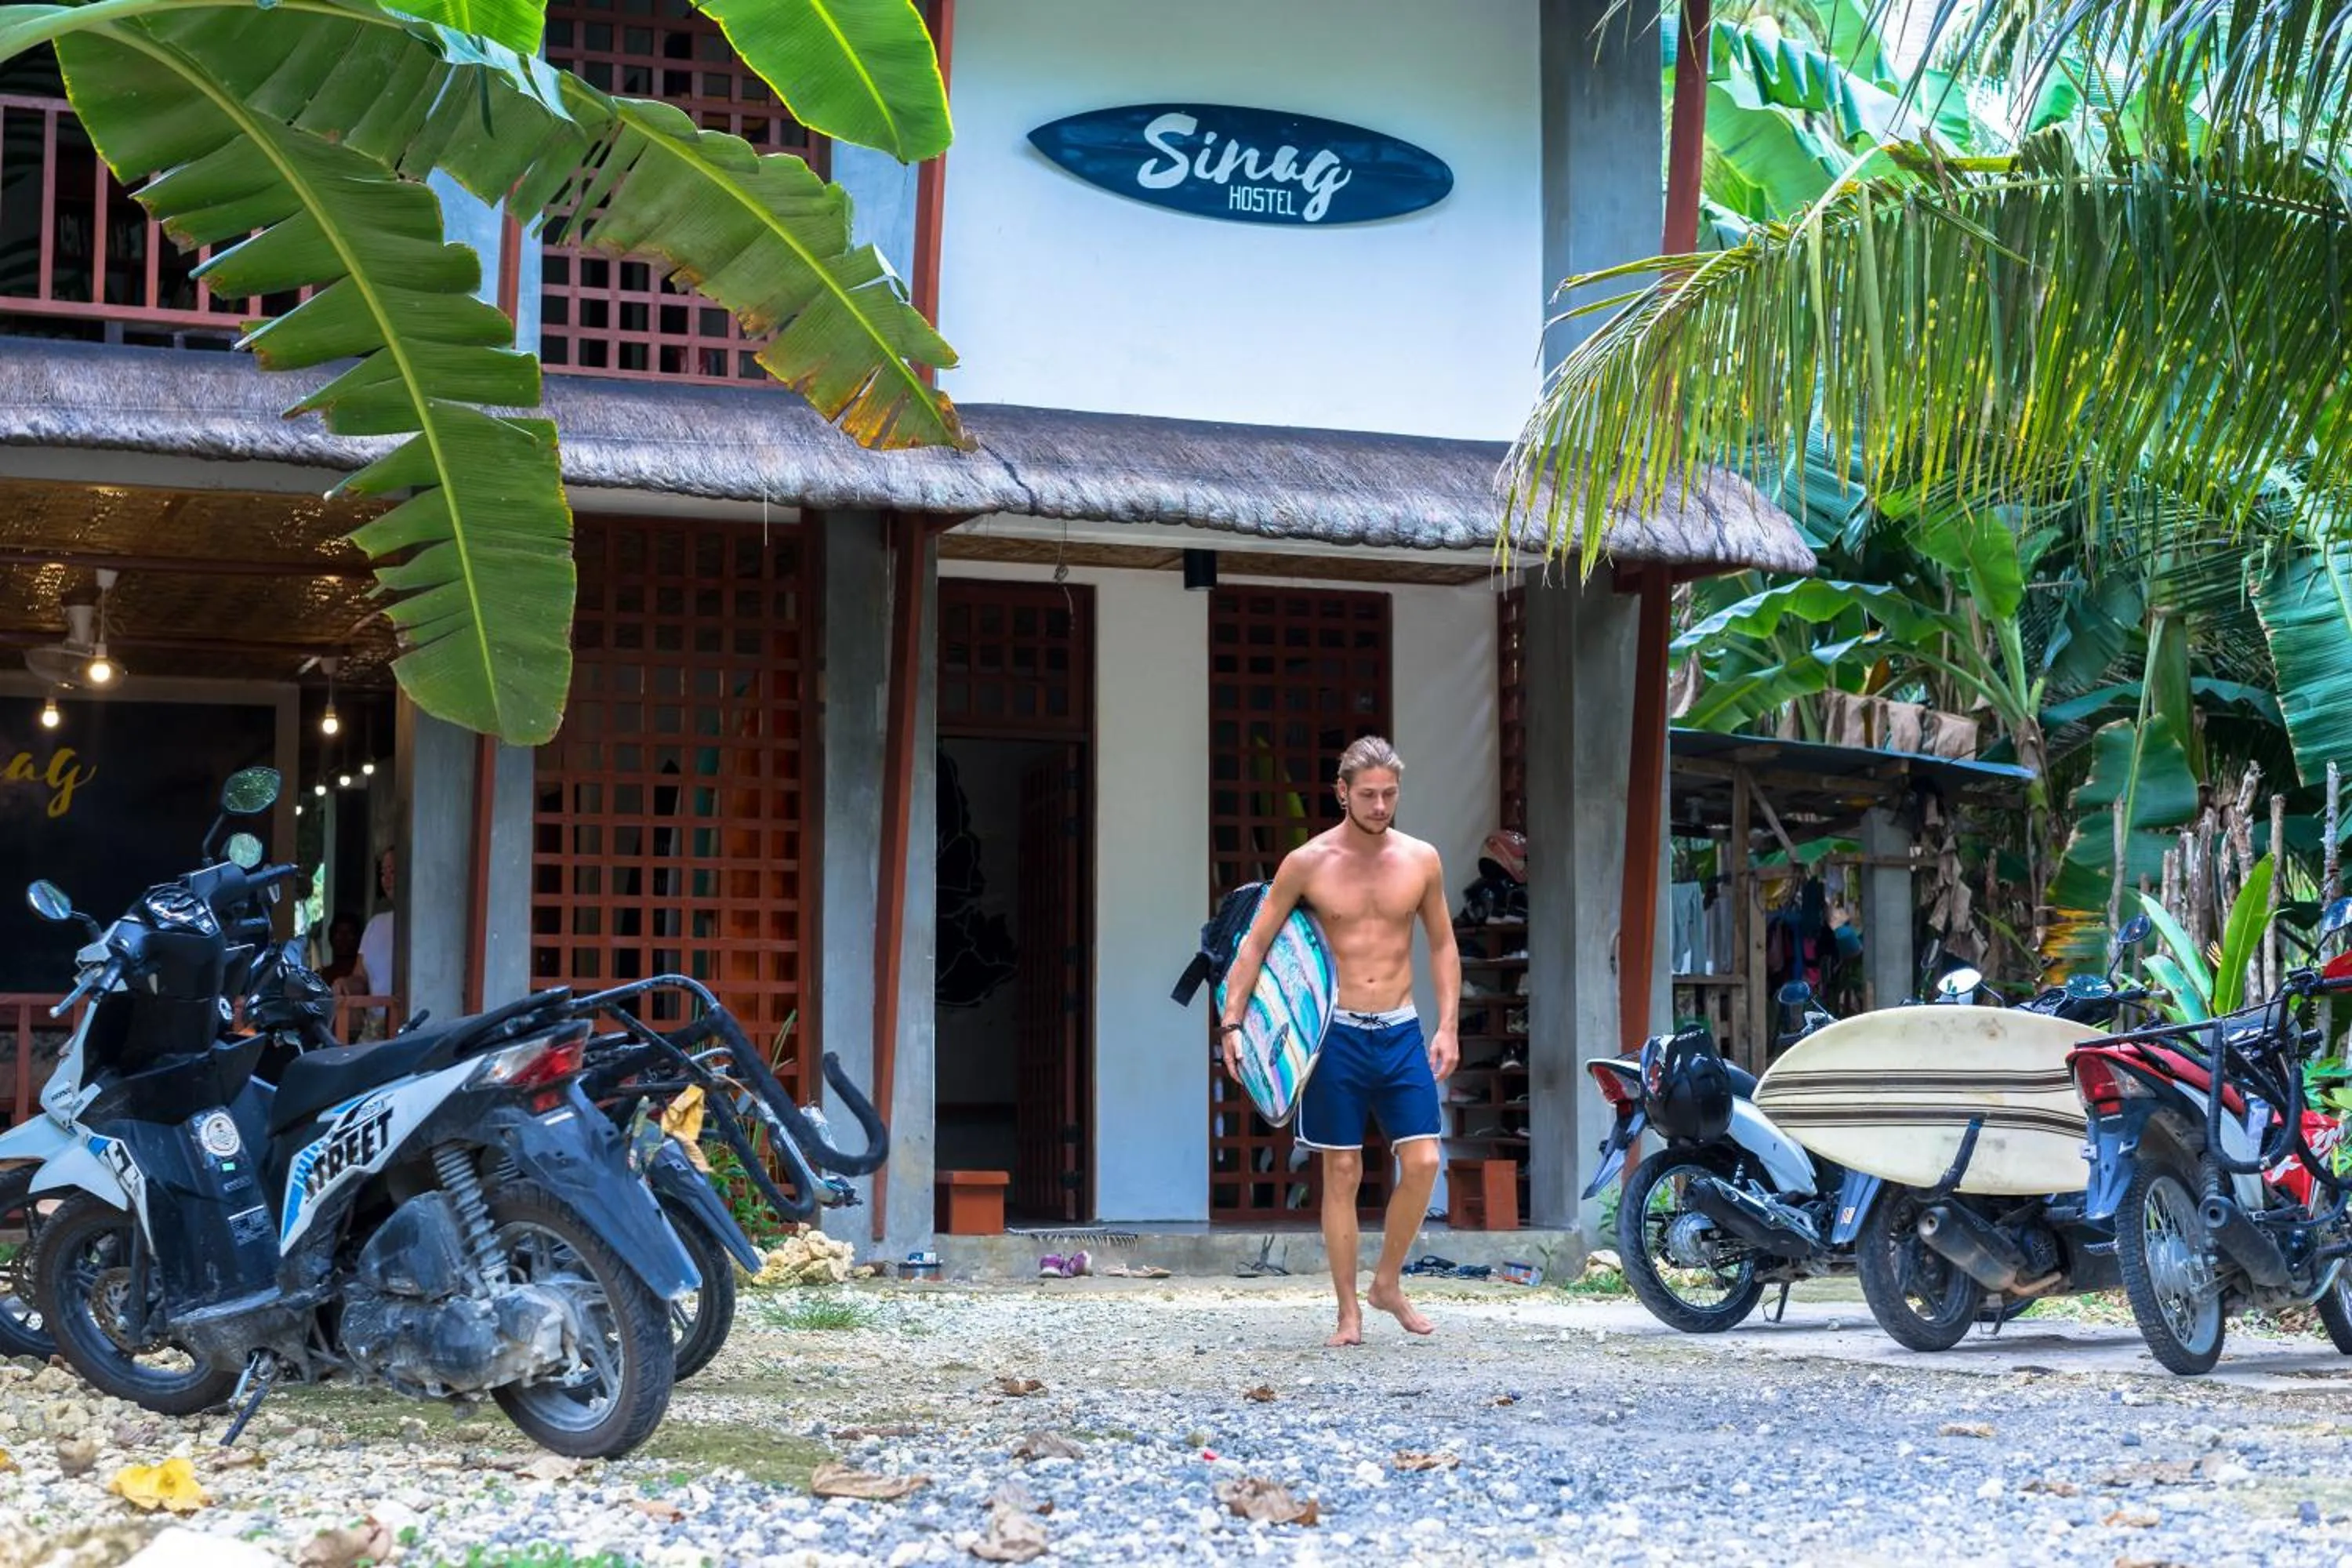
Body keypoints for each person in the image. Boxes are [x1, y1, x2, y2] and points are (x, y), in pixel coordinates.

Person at [1218, 735, 1461, 1345]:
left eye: (1390, 794)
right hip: (1336, 1035)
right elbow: (1255, 944)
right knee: (1343, 1171)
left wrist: (1449, 1024)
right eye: (1369, 795)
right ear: (1343, 794)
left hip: (1401, 1028)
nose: (1381, 806)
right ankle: (1348, 1311)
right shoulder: (1308, 863)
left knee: (1425, 1160)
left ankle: (1387, 1284)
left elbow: (1441, 944)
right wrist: (1232, 1023)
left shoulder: (1422, 860)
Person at [354, 847, 395, 997]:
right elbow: (360, 978)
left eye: (393, 872)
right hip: (375, 1020)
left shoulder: (425, 927)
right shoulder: (375, 924)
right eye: (383, 873)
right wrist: (346, 984)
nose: (387, 879)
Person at [317, 910, 364, 989]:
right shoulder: (321, 976)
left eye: (350, 932)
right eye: (338, 933)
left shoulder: (364, 979)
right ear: (331, 938)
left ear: (359, 938)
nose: (343, 938)